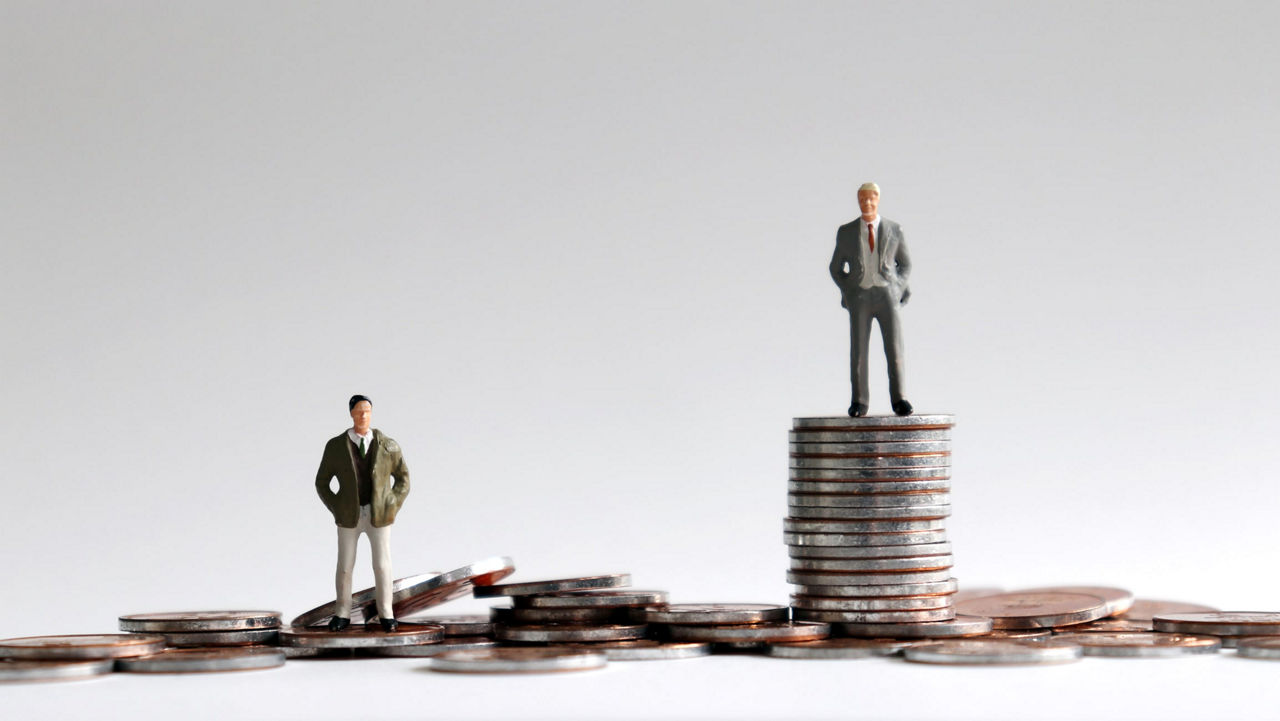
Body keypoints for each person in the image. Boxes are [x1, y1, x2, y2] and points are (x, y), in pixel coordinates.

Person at [314, 395, 410, 631]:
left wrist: (392, 503)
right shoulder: (336, 446)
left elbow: (403, 479)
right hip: (349, 516)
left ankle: (386, 613)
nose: (363, 416)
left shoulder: (388, 445)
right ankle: (342, 613)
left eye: (367, 411)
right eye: (358, 412)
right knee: (345, 565)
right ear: (351, 414)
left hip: (379, 515)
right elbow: (322, 482)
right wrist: (337, 506)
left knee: (382, 564)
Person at [829, 182, 914, 417]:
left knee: (894, 348)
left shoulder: (895, 230)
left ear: (878, 200)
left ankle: (900, 399)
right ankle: (859, 401)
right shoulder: (846, 232)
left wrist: (897, 287)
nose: (867, 203)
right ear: (858, 201)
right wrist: (849, 291)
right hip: (861, 297)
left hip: (887, 295)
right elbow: (836, 268)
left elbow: (905, 264)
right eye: (863, 199)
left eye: (871, 199)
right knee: (858, 350)